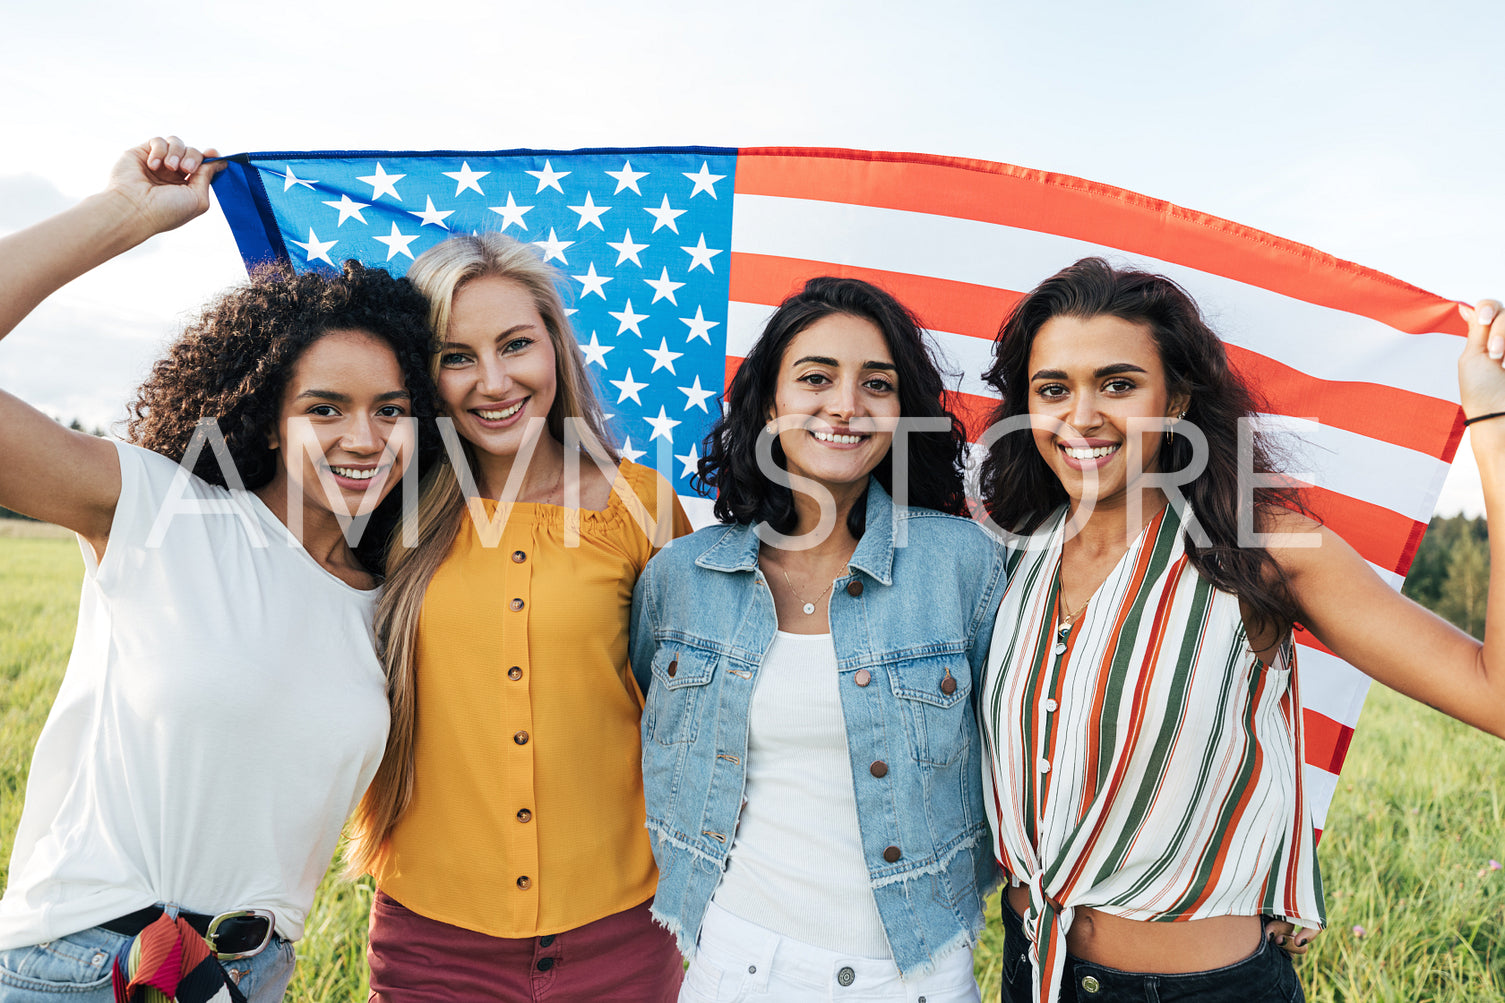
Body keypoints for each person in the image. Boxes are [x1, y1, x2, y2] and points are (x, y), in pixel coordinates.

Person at [976, 257, 1505, 1003]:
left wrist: (1491, 427)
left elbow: (1496, 692)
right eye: (1052, 388)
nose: (1081, 415)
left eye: (1118, 384)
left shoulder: (1264, 548)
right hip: (1029, 974)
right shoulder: (1007, 556)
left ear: (1178, 398)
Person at [0, 137, 440, 1003]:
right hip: (85, 970)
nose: (364, 437)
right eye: (325, 408)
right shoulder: (160, 514)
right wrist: (123, 215)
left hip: (250, 977)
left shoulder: (393, 602)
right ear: (269, 419)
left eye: (391, 409)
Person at [631, 277, 1009, 1002]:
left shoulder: (962, 564)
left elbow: (1025, 751)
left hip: (919, 974)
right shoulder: (681, 576)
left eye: (877, 383)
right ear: (769, 403)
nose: (845, 404)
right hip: (736, 965)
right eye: (815, 378)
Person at [346, 231, 692, 1002]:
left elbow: (694, 709)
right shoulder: (384, 513)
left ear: (555, 350)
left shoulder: (642, 503)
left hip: (625, 931)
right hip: (433, 939)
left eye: (515, 346)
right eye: (456, 355)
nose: (492, 381)